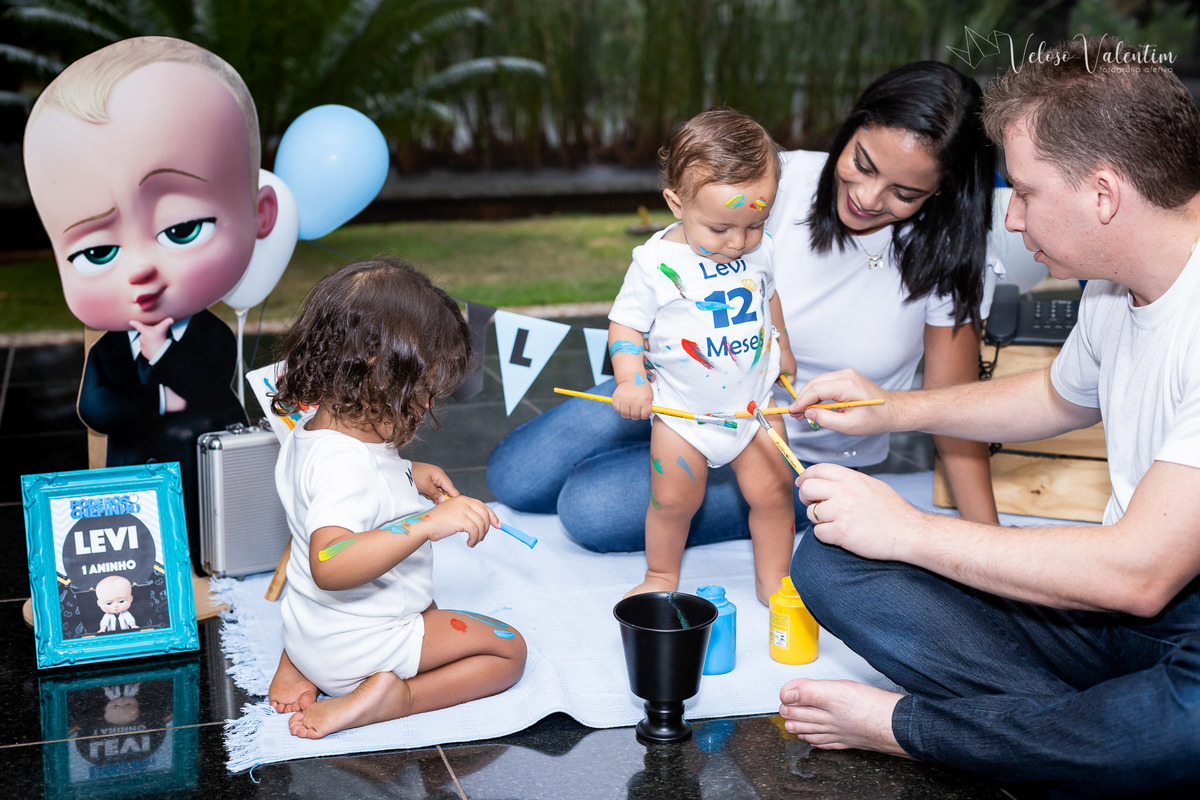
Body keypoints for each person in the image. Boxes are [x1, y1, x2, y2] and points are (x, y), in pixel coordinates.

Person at [778, 36, 1200, 797]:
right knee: (829, 558)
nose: (1012, 222)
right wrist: (885, 411)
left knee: (1165, 732)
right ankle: (1064, 738)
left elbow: (1140, 575)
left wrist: (909, 530)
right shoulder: (1115, 285)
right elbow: (1053, 397)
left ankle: (936, 732)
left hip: (1169, 607)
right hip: (1124, 616)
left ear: (1102, 194)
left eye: (1027, 193)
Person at [487, 61, 1000, 551]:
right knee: (514, 476)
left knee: (590, 508)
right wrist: (635, 374)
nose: (867, 197)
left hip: (787, 447)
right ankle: (655, 456)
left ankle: (662, 470)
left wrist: (988, 545)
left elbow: (953, 407)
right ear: (854, 127)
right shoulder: (779, 183)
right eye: (862, 164)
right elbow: (675, 246)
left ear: (942, 190)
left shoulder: (952, 259)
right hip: (685, 391)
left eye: (904, 192)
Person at [22, 37, 277, 570]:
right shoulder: (112, 352)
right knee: (145, 552)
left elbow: (206, 383)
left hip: (208, 476)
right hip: (134, 480)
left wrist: (162, 358)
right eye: (97, 251)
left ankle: (214, 560)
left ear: (260, 214)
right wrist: (160, 403)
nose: (140, 268)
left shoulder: (210, 335)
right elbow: (96, 407)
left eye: (181, 229)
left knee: (215, 539)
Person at [266, 259, 527, 740]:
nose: (427, 405)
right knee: (508, 650)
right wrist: (426, 524)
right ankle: (395, 698)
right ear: (376, 370)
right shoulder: (350, 467)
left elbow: (340, 492)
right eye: (421, 390)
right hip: (359, 648)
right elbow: (329, 561)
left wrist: (409, 474)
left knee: (432, 608)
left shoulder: (314, 432)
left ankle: (298, 662)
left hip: (311, 631)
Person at [607, 109, 797, 603]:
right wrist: (630, 379)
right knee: (671, 501)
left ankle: (775, 581)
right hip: (682, 412)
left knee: (775, 496)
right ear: (675, 202)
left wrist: (785, 347)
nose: (738, 243)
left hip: (754, 406)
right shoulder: (655, 265)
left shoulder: (761, 249)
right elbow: (625, 325)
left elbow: (767, 297)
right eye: (720, 228)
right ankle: (661, 577)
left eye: (755, 223)